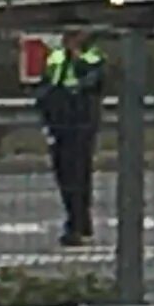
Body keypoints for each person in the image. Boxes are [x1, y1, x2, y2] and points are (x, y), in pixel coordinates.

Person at [36, 26, 106, 247]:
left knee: (78, 174)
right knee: (64, 174)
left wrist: (76, 59)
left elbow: (93, 83)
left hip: (80, 123)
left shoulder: (92, 57)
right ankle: (78, 221)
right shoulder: (56, 56)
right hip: (59, 122)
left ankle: (78, 223)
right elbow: (47, 83)